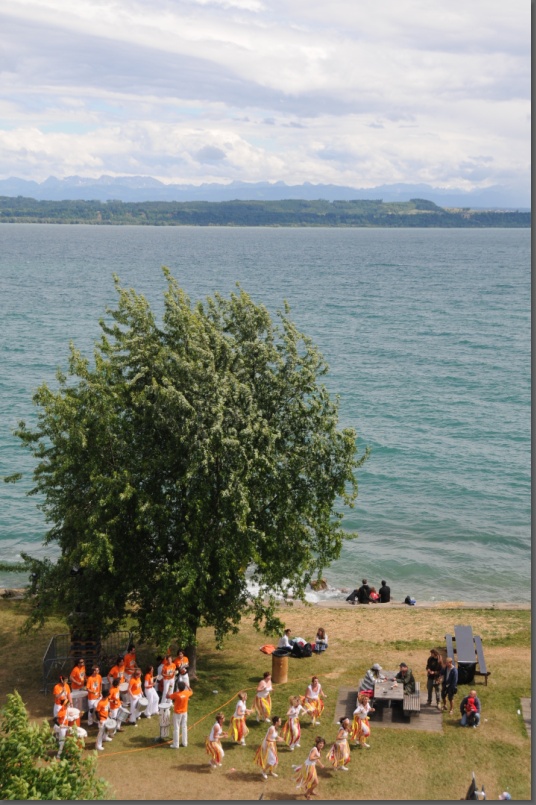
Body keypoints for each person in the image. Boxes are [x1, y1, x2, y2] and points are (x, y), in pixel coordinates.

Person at [254, 715, 284, 779]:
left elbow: (274, 735)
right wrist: (277, 740)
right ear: (276, 722)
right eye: (280, 721)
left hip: (272, 744)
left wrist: (279, 738)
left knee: (273, 758)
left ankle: (270, 771)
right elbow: (267, 738)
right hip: (268, 745)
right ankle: (263, 771)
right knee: (273, 759)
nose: (281, 722)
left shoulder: (276, 728)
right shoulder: (271, 728)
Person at [168, 680, 193, 748]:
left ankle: (176, 744)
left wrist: (169, 688)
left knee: (176, 728)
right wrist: (187, 685)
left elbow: (167, 696)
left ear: (178, 688)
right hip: (184, 712)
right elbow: (191, 691)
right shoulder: (186, 693)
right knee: (184, 727)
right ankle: (185, 743)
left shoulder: (176, 694)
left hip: (177, 713)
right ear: (184, 687)